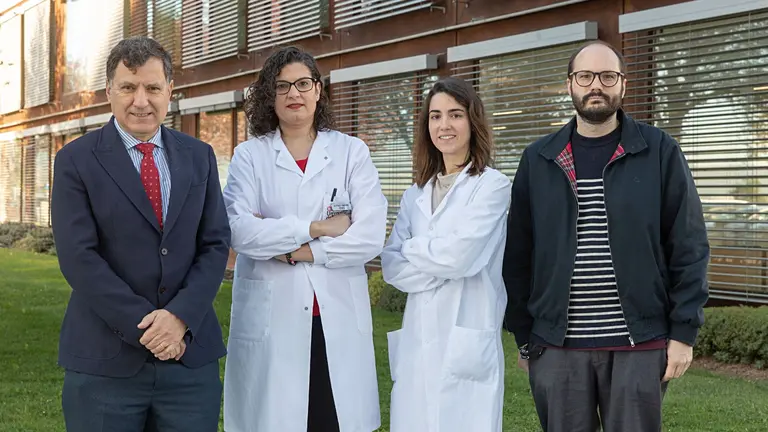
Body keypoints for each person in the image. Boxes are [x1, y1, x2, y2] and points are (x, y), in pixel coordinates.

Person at [503, 40, 710, 432]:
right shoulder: (539, 159)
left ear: (623, 85)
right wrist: (525, 335)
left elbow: (689, 244)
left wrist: (684, 332)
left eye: (607, 76)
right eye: (585, 76)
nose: (595, 84)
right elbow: (518, 254)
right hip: (557, 346)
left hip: (639, 344)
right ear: (570, 85)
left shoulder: (659, 151)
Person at [51, 36, 231, 432]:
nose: (141, 101)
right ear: (109, 92)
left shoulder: (199, 156)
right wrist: (150, 328)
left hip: (188, 362)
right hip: (105, 363)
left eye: (152, 88)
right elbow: (78, 257)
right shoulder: (75, 161)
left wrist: (180, 318)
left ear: (170, 91)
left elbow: (215, 243)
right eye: (129, 87)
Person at [221, 46, 387, 432]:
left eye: (302, 84)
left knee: (331, 418)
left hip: (336, 318)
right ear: (268, 96)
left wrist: (298, 251)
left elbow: (369, 237)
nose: (293, 94)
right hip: (272, 321)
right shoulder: (249, 156)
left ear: (318, 91)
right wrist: (316, 228)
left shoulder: (351, 153)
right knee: (275, 419)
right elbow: (240, 231)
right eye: (282, 86)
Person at [380, 77, 511, 432]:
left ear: (472, 122)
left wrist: (411, 248)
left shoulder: (492, 187)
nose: (444, 125)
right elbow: (391, 266)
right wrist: (437, 257)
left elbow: (460, 258)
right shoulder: (415, 194)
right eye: (435, 116)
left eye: (455, 115)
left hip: (467, 337)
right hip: (418, 341)